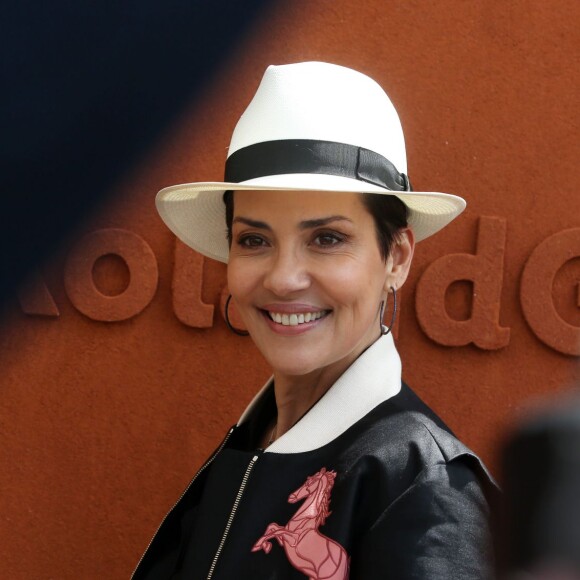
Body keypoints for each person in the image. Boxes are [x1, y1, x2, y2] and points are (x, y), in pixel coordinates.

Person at [132, 62, 499, 579]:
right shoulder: (252, 443)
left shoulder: (425, 487)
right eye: (254, 240)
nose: (283, 279)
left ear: (396, 257)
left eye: (326, 238)